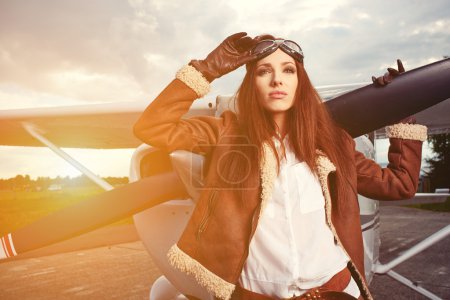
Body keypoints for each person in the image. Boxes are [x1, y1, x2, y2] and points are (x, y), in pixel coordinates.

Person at [133, 32, 427, 300]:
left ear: (300, 82)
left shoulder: (334, 142)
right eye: (264, 71)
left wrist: (402, 111)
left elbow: (400, 184)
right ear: (253, 85)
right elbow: (152, 127)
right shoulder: (225, 133)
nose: (277, 80)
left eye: (288, 70)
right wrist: (211, 67)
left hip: (337, 292)